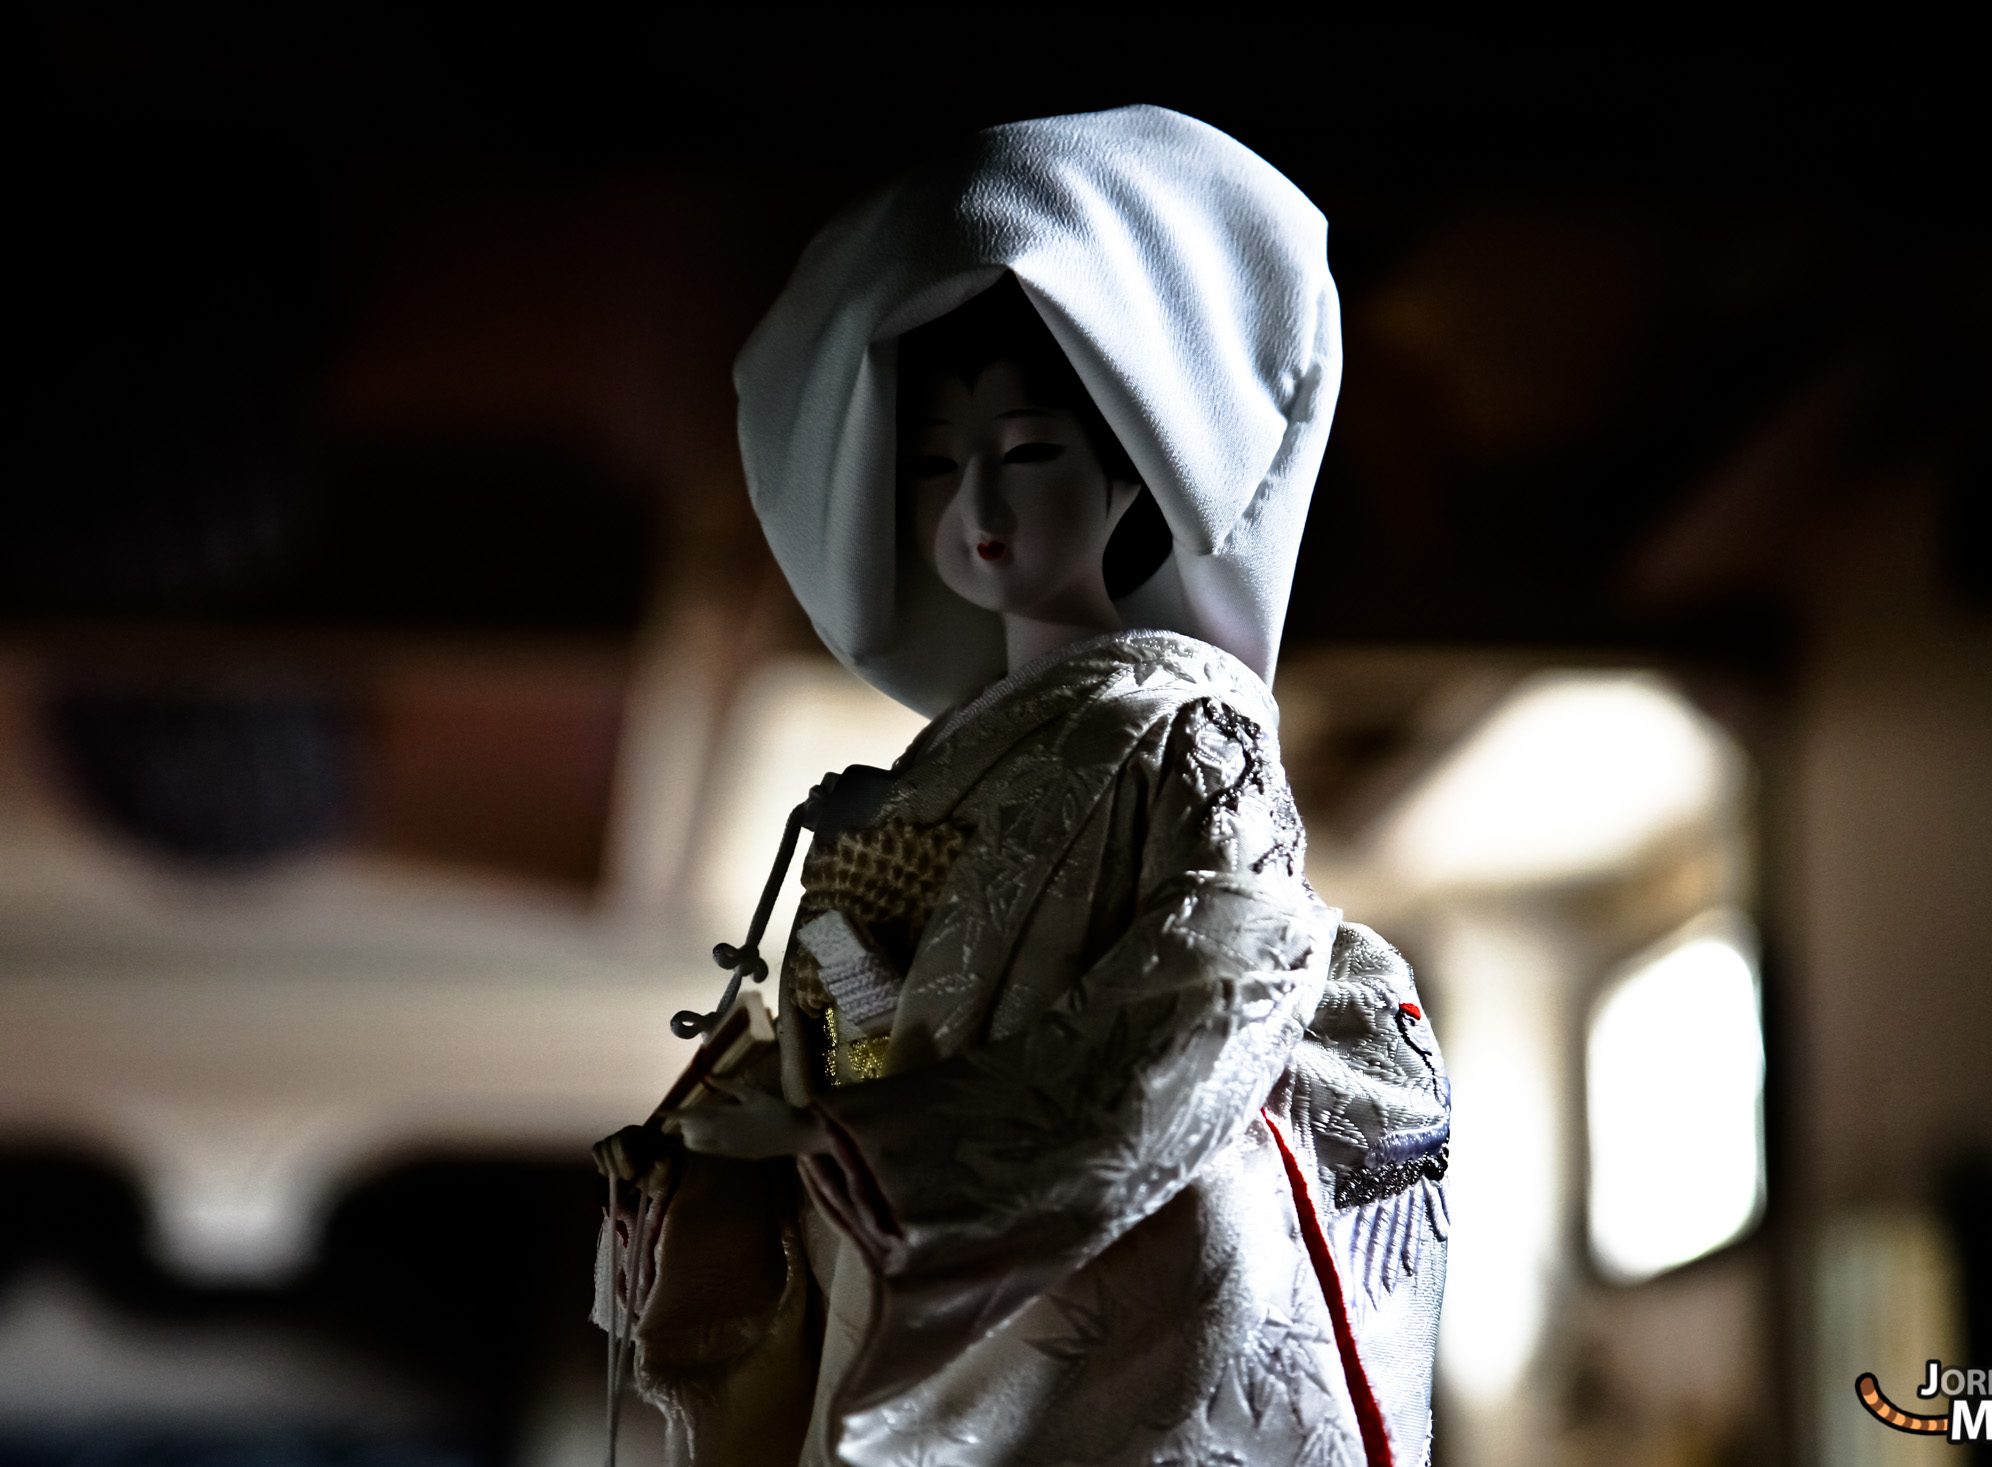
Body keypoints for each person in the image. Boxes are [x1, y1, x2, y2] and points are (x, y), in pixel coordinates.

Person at [596, 105, 1448, 1467]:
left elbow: (1218, 988)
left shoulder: (1186, 722)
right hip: (897, 1228)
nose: (976, 504)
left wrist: (898, 1155)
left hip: (1077, 1252)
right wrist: (757, 1110)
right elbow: (880, 1009)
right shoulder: (947, 757)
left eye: (1032, 452)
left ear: (1130, 473)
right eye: (936, 464)